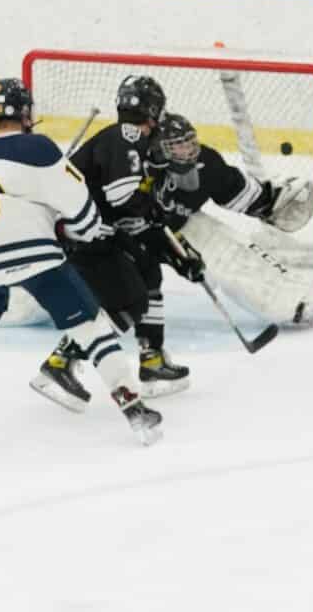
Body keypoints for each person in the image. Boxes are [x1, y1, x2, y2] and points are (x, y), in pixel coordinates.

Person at [0, 78, 163, 445]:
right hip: (37, 257)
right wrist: (69, 226)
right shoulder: (40, 149)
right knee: (91, 328)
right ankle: (133, 406)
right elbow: (83, 216)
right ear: (26, 111)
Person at [67, 76, 202, 398]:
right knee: (131, 298)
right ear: (153, 110)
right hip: (80, 233)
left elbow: (131, 211)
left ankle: (151, 358)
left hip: (91, 228)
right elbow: (124, 199)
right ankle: (62, 360)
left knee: (149, 270)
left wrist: (175, 250)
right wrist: (155, 218)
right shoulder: (126, 138)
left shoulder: (133, 143)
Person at [149, 113, 313, 326]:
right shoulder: (139, 168)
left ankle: (287, 305)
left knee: (229, 253)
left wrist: (267, 201)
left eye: (189, 142)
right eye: (177, 146)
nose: (188, 150)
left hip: (181, 224)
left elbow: (232, 190)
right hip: (135, 233)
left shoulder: (206, 162)